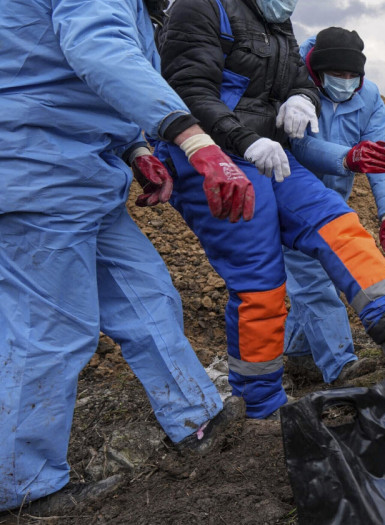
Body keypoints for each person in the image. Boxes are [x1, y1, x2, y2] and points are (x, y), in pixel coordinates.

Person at [0, 0, 247, 512]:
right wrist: (191, 137)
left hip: (83, 173)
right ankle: (22, 487)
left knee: (147, 294)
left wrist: (136, 149)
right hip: (36, 170)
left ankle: (195, 417)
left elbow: (73, 75)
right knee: (48, 331)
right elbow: (99, 50)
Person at [157, 0, 385, 420]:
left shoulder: (275, 18)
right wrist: (243, 140)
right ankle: (261, 405)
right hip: (211, 155)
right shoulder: (201, 7)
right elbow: (186, 87)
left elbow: (296, 77)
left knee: (336, 222)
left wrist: (299, 97)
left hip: (267, 153)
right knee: (262, 282)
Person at [282, 27, 385, 384]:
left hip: (332, 202)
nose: (345, 82)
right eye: (336, 75)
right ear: (317, 69)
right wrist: (347, 157)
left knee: (313, 276)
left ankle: (298, 354)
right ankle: (340, 366)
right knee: (312, 281)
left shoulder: (368, 97)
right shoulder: (295, 88)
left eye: (352, 75)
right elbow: (297, 144)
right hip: (291, 199)